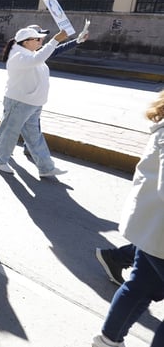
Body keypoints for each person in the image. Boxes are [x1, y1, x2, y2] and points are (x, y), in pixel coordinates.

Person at [92, 90, 164, 347]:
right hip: (158, 234)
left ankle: (107, 342)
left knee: (140, 287)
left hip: (152, 231)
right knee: (139, 287)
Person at [0, 26, 69, 178]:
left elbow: (40, 58)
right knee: (10, 132)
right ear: (26, 42)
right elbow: (38, 59)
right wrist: (55, 41)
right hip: (19, 102)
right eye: (37, 39)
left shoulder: (29, 53)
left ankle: (46, 167)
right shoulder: (18, 56)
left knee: (34, 136)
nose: (41, 41)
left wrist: (73, 41)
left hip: (33, 103)